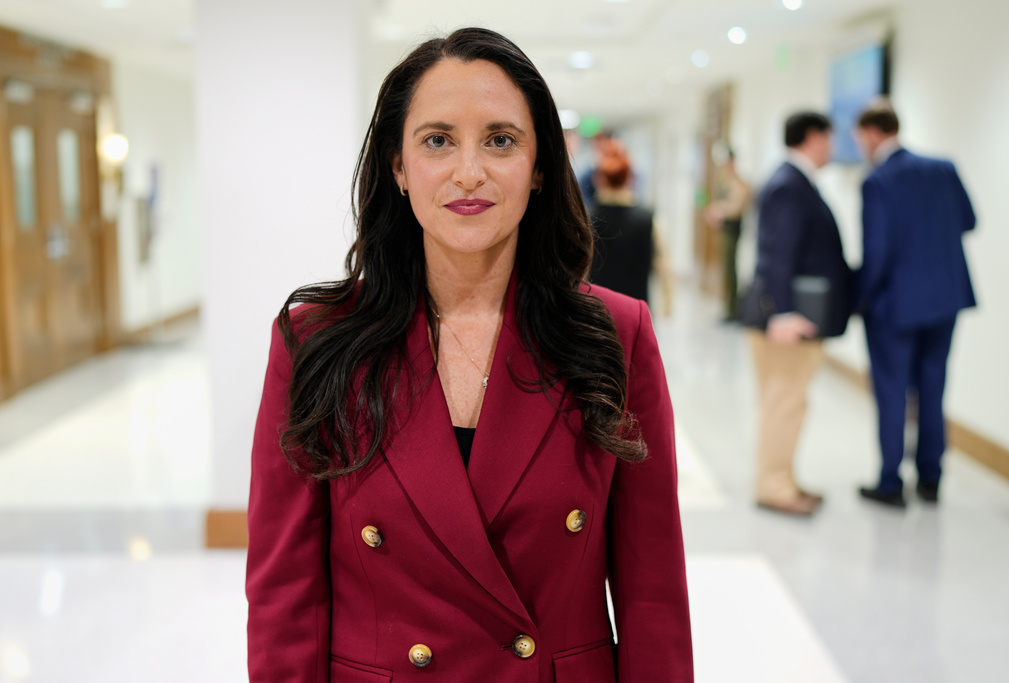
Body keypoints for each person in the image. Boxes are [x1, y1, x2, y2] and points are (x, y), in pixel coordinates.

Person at [246, 28, 693, 682]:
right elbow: (285, 595)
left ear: (539, 166)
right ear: (398, 166)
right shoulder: (315, 340)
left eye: (501, 140)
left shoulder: (616, 334)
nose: (469, 172)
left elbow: (653, 592)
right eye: (437, 140)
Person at [854, 101, 976, 508]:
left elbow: (878, 252)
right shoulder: (943, 168)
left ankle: (890, 482)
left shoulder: (877, 181)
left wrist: (859, 300)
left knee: (891, 391)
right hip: (945, 300)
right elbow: (968, 220)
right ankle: (930, 476)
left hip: (896, 308)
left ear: (871, 133)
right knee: (933, 386)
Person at [741, 112, 851, 516]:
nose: (834, 147)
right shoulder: (789, 185)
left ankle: (783, 479)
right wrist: (782, 313)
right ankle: (773, 486)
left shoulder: (795, 181)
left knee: (790, 403)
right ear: (813, 137)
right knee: (782, 403)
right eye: (830, 137)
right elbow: (777, 255)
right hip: (787, 322)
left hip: (796, 319)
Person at [587, 139, 673, 312]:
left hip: (595, 313)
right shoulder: (649, 218)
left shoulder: (586, 218)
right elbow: (663, 263)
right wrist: (668, 301)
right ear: (629, 177)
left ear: (599, 178)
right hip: (637, 311)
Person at [703, 150, 751, 321]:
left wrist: (719, 211)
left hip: (732, 232)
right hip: (724, 231)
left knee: (730, 270)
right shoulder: (725, 182)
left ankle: (733, 309)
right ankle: (728, 307)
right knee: (725, 270)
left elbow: (736, 208)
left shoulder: (739, 184)